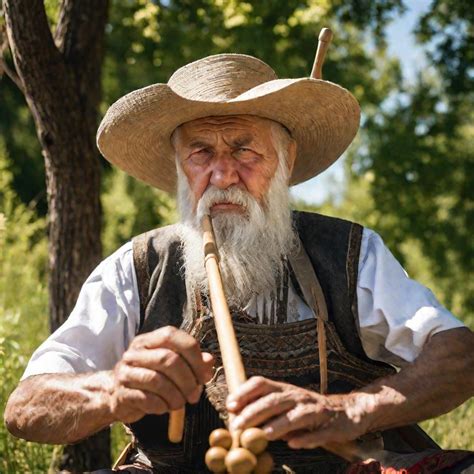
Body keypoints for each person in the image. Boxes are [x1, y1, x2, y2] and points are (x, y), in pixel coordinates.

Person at [4, 54, 474, 473]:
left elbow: (460, 356)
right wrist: (112, 389)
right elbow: (25, 408)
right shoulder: (137, 266)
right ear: (180, 168)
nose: (223, 175)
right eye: (200, 153)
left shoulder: (349, 253)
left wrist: (349, 411)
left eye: (245, 150)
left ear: (285, 158)